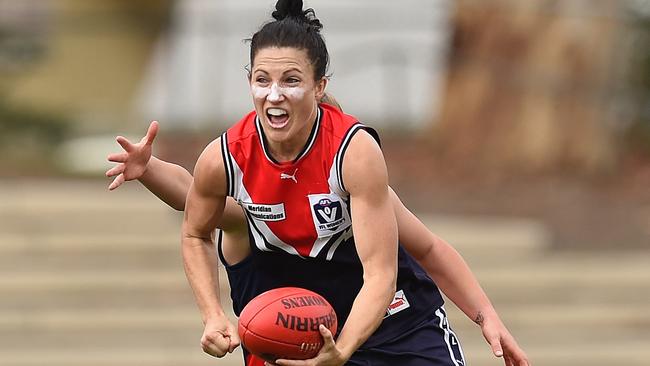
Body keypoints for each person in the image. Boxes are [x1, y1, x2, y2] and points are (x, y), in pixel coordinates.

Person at [107, 1, 529, 365]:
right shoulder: (228, 160)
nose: (274, 95)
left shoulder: (353, 155)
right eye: (262, 80)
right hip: (300, 332)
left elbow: (412, 256)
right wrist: (213, 315)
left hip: (393, 322)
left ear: (318, 86)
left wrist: (485, 314)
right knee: (238, 233)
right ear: (249, 83)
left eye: (291, 81)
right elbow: (197, 218)